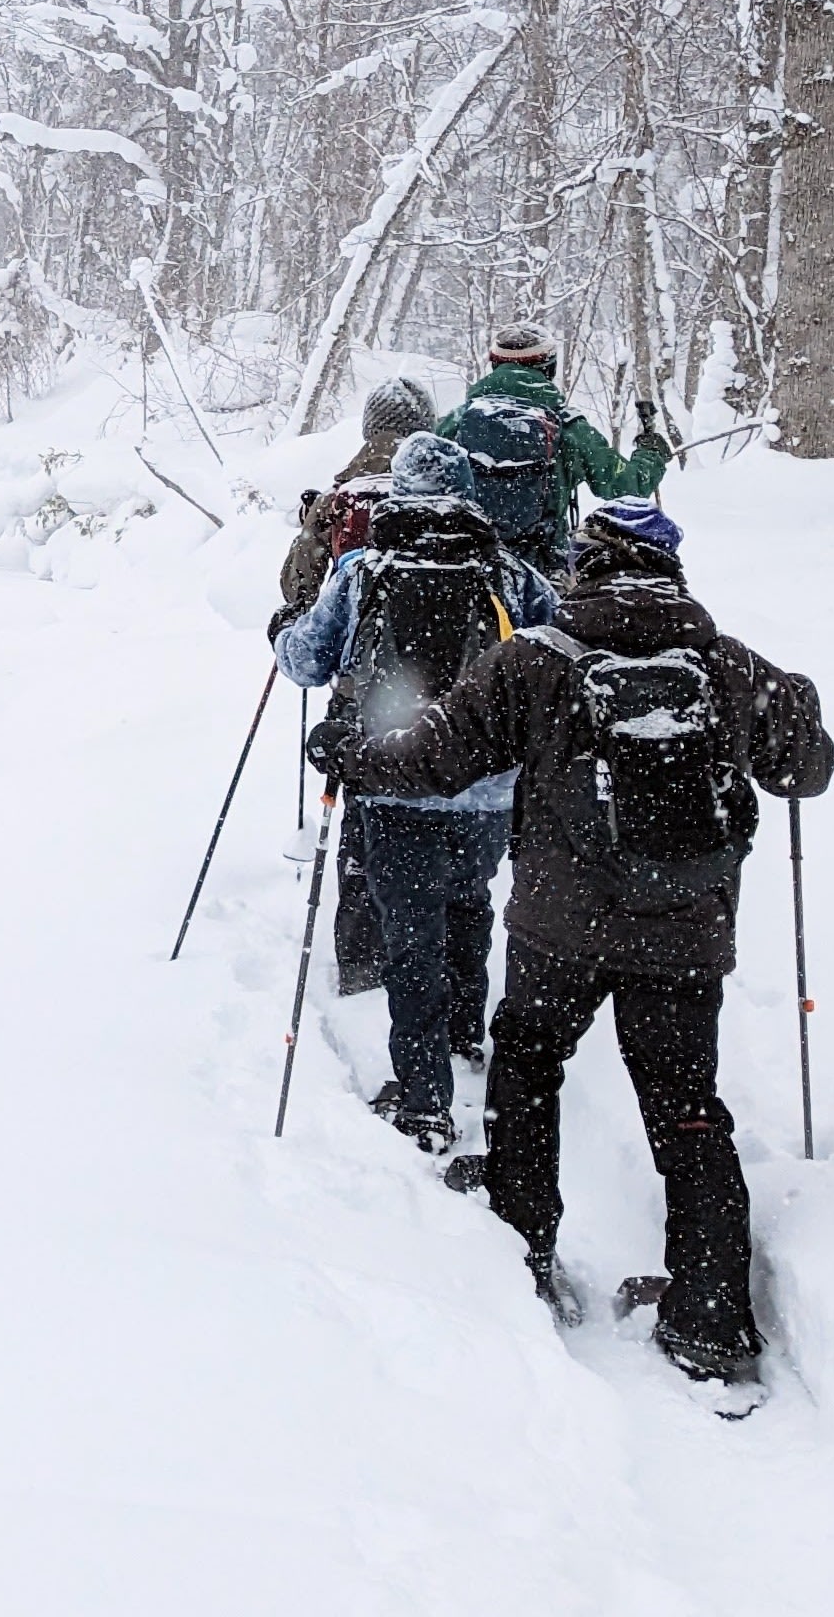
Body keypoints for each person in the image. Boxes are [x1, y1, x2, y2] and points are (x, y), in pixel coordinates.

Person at [306, 499, 834, 1392]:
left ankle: (524, 1250)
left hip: (563, 926)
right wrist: (797, 709)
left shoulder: (538, 662)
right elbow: (806, 771)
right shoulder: (730, 665)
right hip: (687, 931)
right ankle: (707, 1318)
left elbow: (439, 757)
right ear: (672, 571)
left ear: (589, 565)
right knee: (687, 1103)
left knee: (530, 1061)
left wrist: (353, 750)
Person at [272, 433, 560, 1152]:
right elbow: (551, 658)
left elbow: (308, 662)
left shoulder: (364, 569)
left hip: (389, 777)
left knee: (410, 941)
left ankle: (426, 1103)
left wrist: (281, 629)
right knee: (469, 905)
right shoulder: (510, 574)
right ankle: (465, 1041)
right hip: (486, 788)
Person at [274, 375, 441, 1001]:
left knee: (364, 831)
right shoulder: (440, 484)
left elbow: (299, 585)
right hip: (447, 687)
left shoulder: (342, 494)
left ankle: (364, 963)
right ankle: (442, 960)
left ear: (370, 426)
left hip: (360, 685)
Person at [441, 324, 674, 572]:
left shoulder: (457, 421)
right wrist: (651, 454)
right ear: (548, 367)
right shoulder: (568, 426)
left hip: (466, 566)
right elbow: (627, 487)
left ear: (495, 365)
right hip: (542, 567)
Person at [275, 374, 439, 621]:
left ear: (369, 426)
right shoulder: (441, 494)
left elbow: (297, 587)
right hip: (429, 620)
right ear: (425, 426)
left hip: (352, 623)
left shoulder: (337, 498)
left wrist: (313, 518)